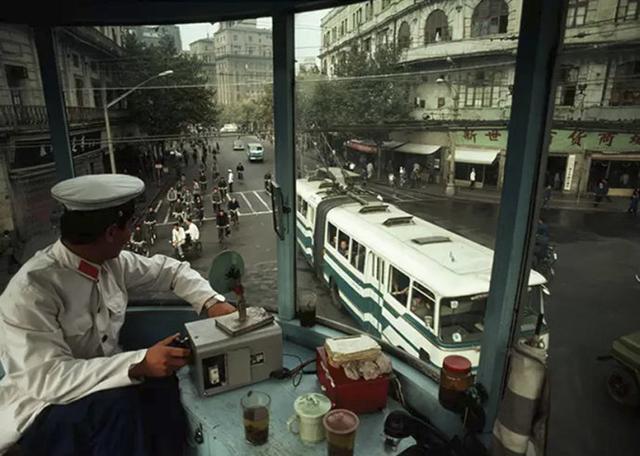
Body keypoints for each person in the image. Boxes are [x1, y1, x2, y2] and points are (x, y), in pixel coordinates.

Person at [0, 174, 235, 455]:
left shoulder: (110, 263)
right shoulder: (31, 290)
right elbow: (47, 379)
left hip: (104, 382)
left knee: (163, 383)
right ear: (111, 232)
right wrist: (138, 363)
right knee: (120, 407)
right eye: (130, 227)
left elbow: (170, 271)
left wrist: (210, 302)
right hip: (43, 407)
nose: (132, 234)